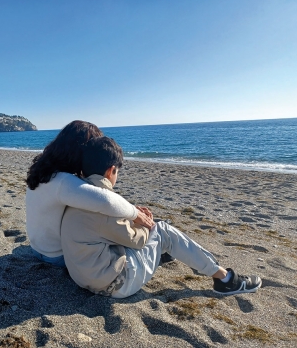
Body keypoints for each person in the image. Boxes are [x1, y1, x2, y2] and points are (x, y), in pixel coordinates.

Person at [61, 137, 262, 298]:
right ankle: (226, 280)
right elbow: (136, 240)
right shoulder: (104, 203)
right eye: (117, 172)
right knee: (162, 230)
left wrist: (133, 216)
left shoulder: (78, 193)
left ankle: (163, 252)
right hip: (113, 285)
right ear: (111, 170)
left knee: (156, 230)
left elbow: (104, 229)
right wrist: (146, 223)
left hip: (83, 276)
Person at [25, 120, 156, 268]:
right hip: (56, 256)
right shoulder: (64, 182)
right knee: (114, 238)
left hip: (37, 248)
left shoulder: (46, 173)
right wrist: (135, 214)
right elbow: (106, 201)